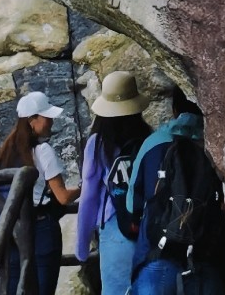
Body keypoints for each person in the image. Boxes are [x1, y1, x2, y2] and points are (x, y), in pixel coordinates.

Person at [125, 94, 225, 295]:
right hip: (207, 253)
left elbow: (132, 205)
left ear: (174, 110)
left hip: (158, 253)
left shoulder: (153, 143)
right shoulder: (217, 143)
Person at [0, 90, 79, 295]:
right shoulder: (43, 151)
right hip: (41, 229)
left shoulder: (5, 152)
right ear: (33, 120)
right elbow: (63, 197)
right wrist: (84, 187)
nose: (51, 122)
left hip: (12, 231)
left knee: (14, 288)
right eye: (46, 117)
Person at [75, 72, 149, 295]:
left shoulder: (98, 144)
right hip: (148, 224)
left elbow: (89, 195)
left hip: (115, 225)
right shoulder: (148, 137)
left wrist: (82, 246)